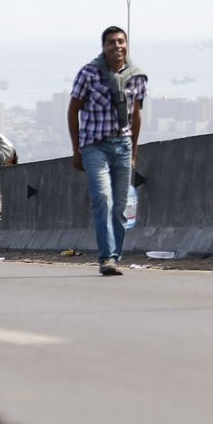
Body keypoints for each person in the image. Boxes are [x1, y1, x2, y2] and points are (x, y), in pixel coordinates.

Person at [68, 26, 147, 277]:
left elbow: (136, 116)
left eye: (121, 41)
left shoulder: (137, 76)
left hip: (122, 145)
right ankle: (108, 258)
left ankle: (115, 254)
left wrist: (133, 151)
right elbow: (73, 111)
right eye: (112, 42)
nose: (117, 46)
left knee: (121, 206)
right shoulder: (89, 73)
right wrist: (76, 150)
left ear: (127, 45)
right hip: (94, 146)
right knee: (103, 198)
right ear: (103, 47)